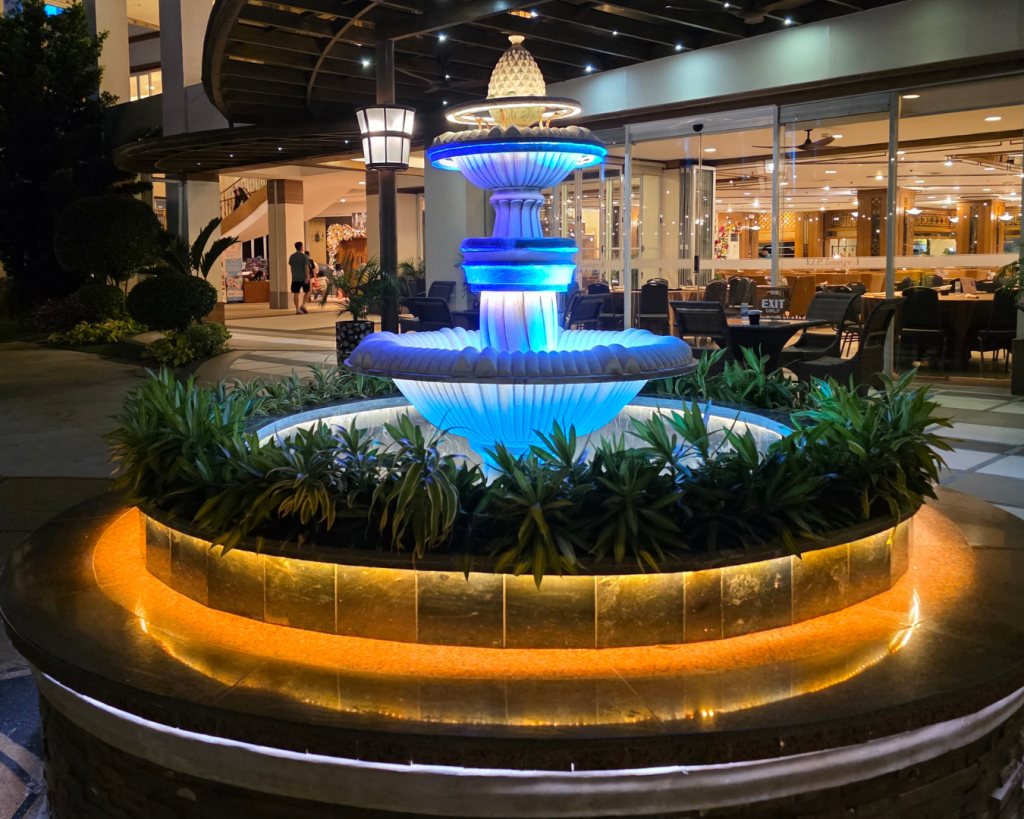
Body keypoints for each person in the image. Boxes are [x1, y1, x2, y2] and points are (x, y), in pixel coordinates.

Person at [288, 241, 310, 314]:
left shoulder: (292, 256)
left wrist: (294, 274)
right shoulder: (304, 256)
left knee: (296, 293)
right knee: (307, 291)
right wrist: (307, 277)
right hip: (303, 277)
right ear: (301, 247)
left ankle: (297, 309)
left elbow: (291, 268)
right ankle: (302, 305)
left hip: (295, 278)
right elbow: (306, 267)